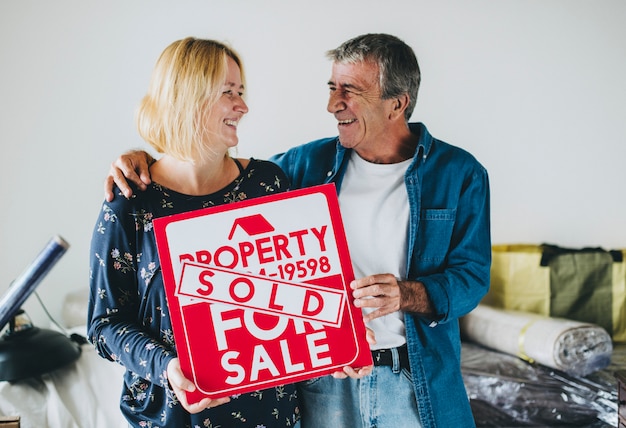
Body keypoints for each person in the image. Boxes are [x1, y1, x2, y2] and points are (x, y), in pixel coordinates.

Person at [104, 33, 491, 428]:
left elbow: (473, 277)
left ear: (397, 103)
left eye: (350, 91)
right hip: (323, 379)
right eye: (332, 87)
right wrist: (144, 159)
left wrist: (408, 294)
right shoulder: (301, 168)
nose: (332, 104)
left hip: (412, 376)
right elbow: (204, 178)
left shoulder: (459, 174)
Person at [88, 37, 303, 428]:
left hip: (268, 415)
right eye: (228, 93)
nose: (243, 106)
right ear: (188, 98)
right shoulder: (129, 203)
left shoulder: (267, 185)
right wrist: (167, 366)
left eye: (242, 92)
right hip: (170, 417)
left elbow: (297, 292)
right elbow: (104, 325)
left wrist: (341, 343)